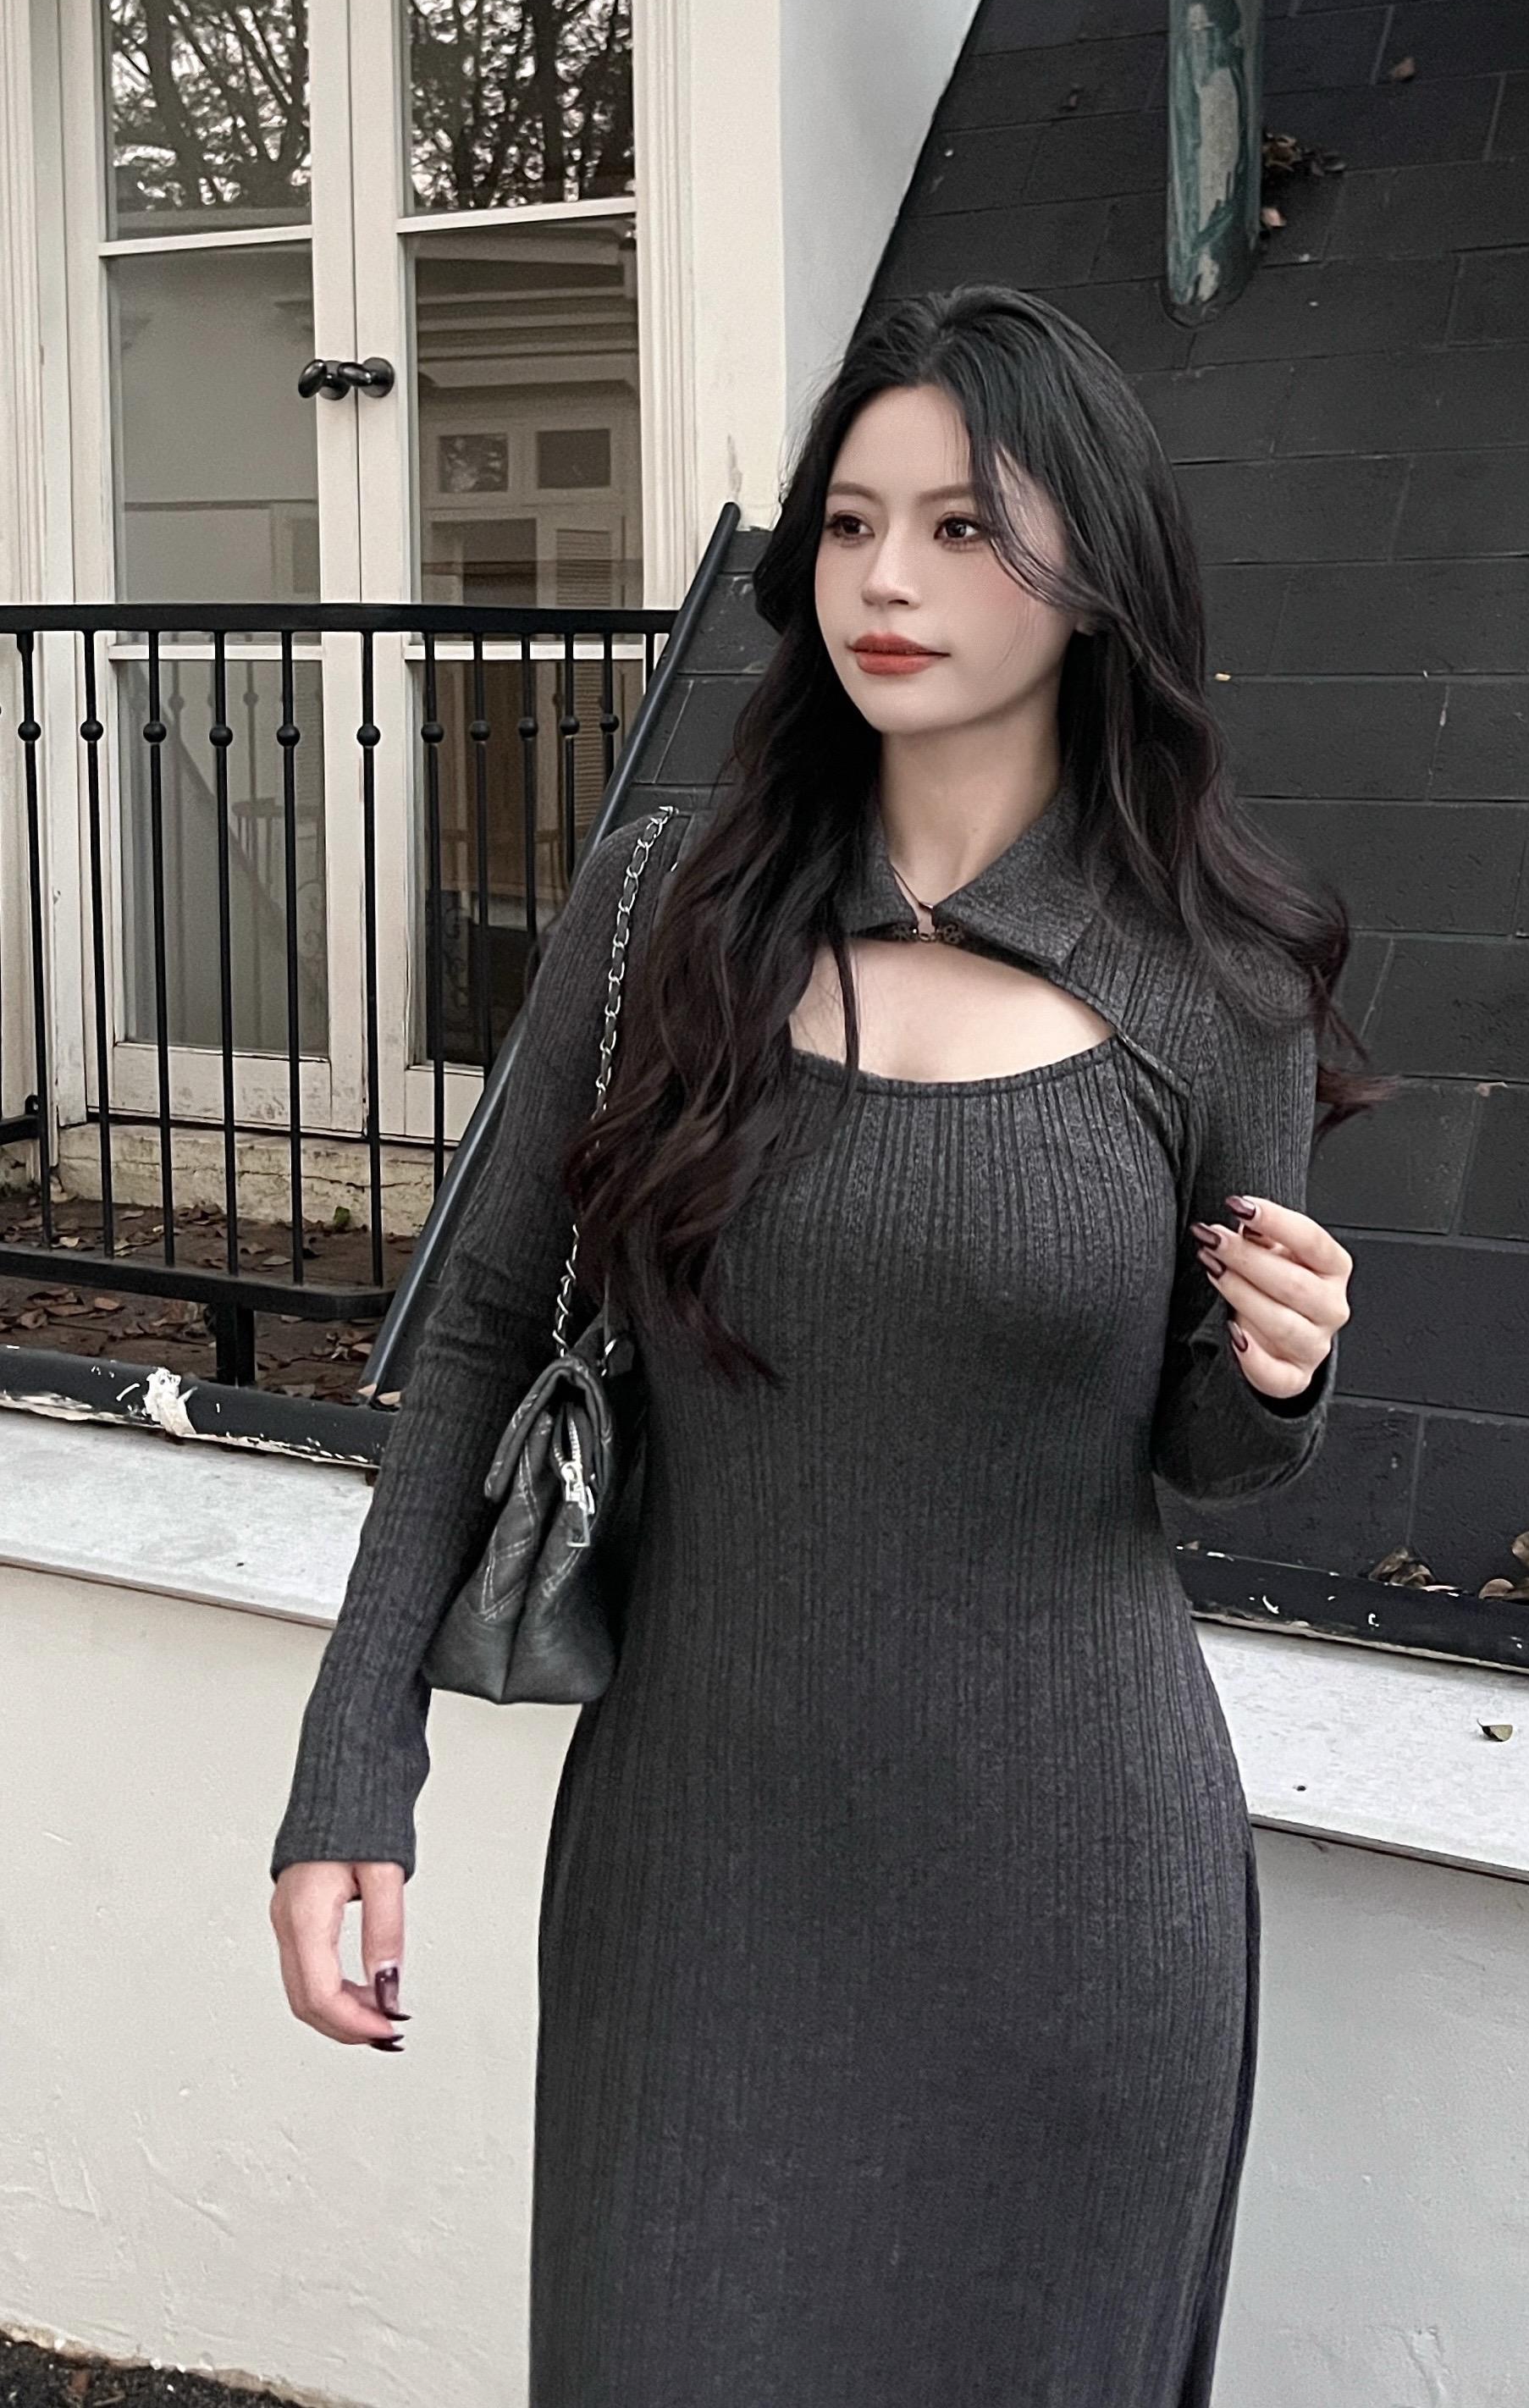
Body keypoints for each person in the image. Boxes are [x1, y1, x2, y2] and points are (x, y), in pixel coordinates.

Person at [270, 282, 1365, 2408]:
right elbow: (484, 1329)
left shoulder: (1217, 979)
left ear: (1094, 571)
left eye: (961, 526)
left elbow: (1202, 1458)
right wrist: (350, 1769)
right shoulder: (662, 910)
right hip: (698, 1879)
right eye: (850, 520)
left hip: (1074, 1896)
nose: (882, 577)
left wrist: (1276, 1371)